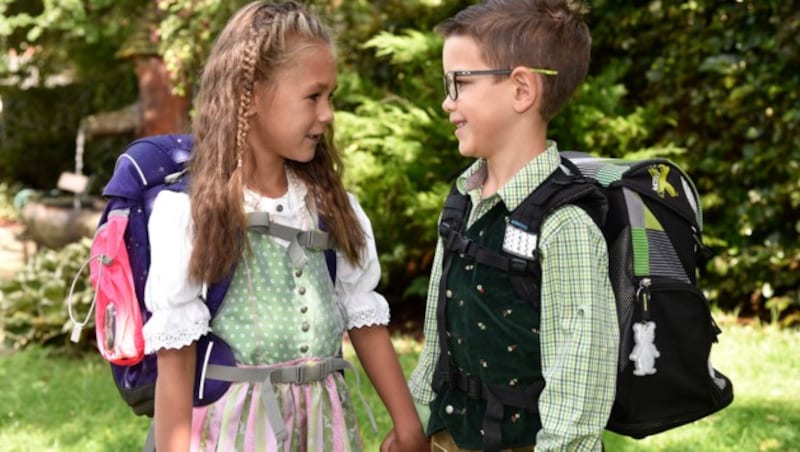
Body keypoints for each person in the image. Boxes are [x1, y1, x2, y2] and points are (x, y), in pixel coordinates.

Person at [141, 2, 427, 451]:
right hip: (236, 432)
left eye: (330, 96)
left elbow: (363, 313)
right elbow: (175, 365)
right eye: (313, 96)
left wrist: (407, 421)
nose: (328, 113)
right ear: (250, 94)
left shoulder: (331, 207)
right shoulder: (196, 213)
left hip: (322, 431)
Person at [407, 0, 619, 450]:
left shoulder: (565, 226)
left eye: (459, 82)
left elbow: (579, 384)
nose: (447, 101)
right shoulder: (464, 199)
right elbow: (436, 336)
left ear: (522, 89)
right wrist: (416, 420)